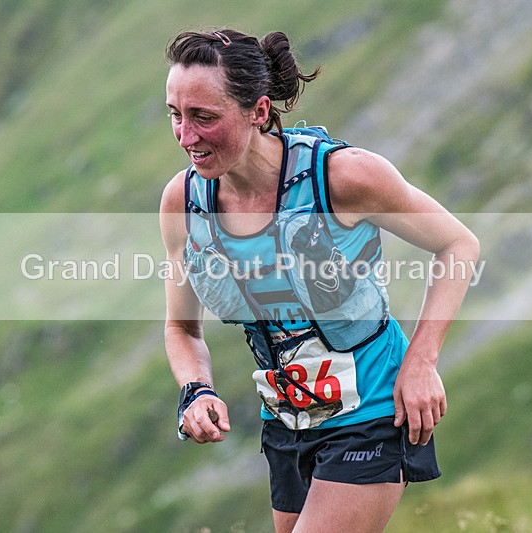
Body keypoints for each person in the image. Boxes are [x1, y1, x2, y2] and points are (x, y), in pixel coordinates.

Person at [159, 28, 479, 532]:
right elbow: (182, 328)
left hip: (373, 410)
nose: (185, 136)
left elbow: (459, 245)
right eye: (176, 115)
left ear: (259, 111)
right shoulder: (184, 201)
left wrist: (421, 360)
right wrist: (195, 390)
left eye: (204, 117)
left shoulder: (343, 177)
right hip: (286, 423)